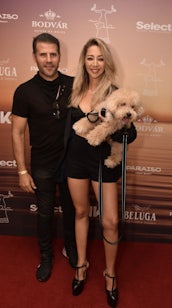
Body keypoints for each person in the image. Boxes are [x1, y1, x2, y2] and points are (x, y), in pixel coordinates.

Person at [65, 38, 137, 307]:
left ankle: (110, 275)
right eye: (90, 58)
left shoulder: (116, 93)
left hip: (103, 162)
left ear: (107, 62)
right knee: (81, 213)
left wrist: (127, 128)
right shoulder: (73, 90)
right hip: (75, 162)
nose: (95, 64)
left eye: (100, 58)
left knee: (109, 222)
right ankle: (81, 266)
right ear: (84, 61)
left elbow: (131, 130)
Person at [11, 33, 77, 282]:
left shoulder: (75, 84)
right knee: (45, 214)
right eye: (43, 54)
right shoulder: (24, 91)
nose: (49, 60)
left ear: (59, 55)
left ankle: (71, 248)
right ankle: (46, 257)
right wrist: (21, 170)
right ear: (35, 57)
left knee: (73, 211)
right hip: (42, 165)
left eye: (53, 54)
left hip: (72, 163)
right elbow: (17, 133)